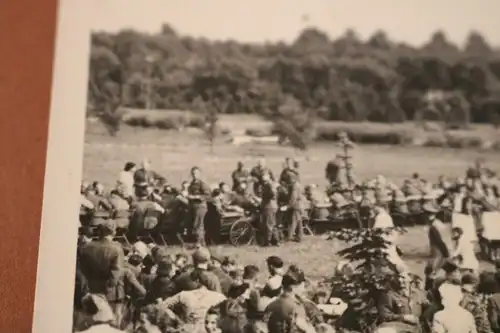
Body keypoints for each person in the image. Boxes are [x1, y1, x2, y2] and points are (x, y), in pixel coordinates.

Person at [79, 220, 126, 327]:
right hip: (108, 293)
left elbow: (82, 269)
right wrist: (107, 290)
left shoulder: (87, 247)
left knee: (91, 320)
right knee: (108, 322)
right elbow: (115, 274)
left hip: (90, 288)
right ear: (113, 231)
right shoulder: (116, 248)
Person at [158, 269, 226, 333]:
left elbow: (161, 306)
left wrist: (177, 320)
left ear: (196, 281)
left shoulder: (184, 295)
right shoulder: (220, 297)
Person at [265, 268, 317, 333]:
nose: (303, 288)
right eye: (302, 285)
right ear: (293, 287)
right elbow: (304, 328)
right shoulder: (296, 307)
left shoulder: (271, 304)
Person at [187, 166, 212, 246]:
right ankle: (201, 242)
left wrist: (195, 197)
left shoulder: (202, 184)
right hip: (193, 206)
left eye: (196, 173)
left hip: (200, 206)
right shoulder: (191, 184)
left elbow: (208, 195)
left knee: (199, 224)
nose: (194, 175)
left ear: (199, 174)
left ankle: (199, 243)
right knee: (195, 225)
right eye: (193, 173)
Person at [260, 171, 280, 246]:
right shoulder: (266, 184)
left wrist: (265, 198)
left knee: (269, 224)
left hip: (269, 206)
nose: (263, 177)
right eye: (262, 175)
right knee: (272, 224)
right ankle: (276, 241)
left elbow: (273, 194)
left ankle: (267, 242)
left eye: (264, 175)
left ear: (268, 176)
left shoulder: (269, 184)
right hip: (269, 205)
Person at [284, 176, 303, 242]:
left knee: (293, 221)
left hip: (295, 206)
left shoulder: (294, 186)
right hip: (299, 205)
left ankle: (289, 237)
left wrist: (288, 206)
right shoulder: (298, 184)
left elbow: (293, 197)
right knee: (299, 222)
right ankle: (299, 237)